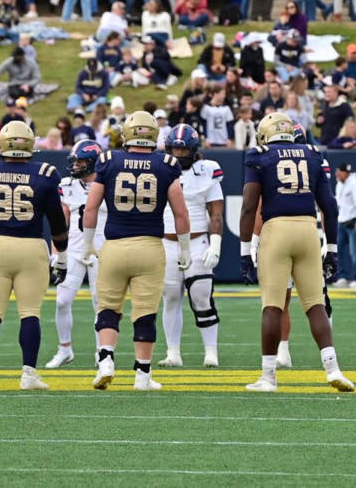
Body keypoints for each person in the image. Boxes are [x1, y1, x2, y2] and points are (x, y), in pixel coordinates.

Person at [239, 113, 353, 393]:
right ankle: (333, 369)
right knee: (315, 304)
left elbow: (249, 206)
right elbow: (329, 206)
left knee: (272, 306)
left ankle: (268, 377)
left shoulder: (259, 155)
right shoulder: (312, 153)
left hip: (276, 231)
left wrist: (245, 251)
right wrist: (332, 248)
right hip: (308, 230)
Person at [83, 111, 190, 391]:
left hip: (114, 247)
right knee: (145, 313)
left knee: (108, 308)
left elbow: (91, 207)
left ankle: (106, 359)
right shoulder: (167, 164)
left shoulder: (109, 160)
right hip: (149, 248)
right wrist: (185, 249)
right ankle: (142, 375)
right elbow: (180, 212)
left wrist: (87, 243)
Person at [0, 121, 69, 391]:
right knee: (30, 313)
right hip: (31, 248)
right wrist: (62, 255)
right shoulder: (45, 173)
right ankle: (28, 374)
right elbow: (57, 222)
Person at [158, 124, 223, 367]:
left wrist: (215, 244)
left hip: (197, 241)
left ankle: (211, 352)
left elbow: (216, 212)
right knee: (170, 298)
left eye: (183, 150)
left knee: (201, 297)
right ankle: (173, 353)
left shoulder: (207, 170)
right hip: (167, 242)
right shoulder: (160, 168)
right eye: (174, 149)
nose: (178, 154)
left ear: (193, 150)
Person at [44, 140, 107, 368]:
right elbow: (60, 223)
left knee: (100, 304)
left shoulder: (108, 183)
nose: (76, 165)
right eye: (75, 161)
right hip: (73, 250)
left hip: (102, 251)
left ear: (93, 162)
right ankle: (65, 349)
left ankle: (102, 352)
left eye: (81, 161)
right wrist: (56, 254)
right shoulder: (67, 185)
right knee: (62, 301)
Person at [333, 163, 356, 289]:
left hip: (352, 222)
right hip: (341, 222)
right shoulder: (339, 184)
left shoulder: (354, 184)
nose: (337, 174)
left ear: (346, 173)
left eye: (339, 172)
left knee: (354, 252)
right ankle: (342, 277)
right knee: (338, 251)